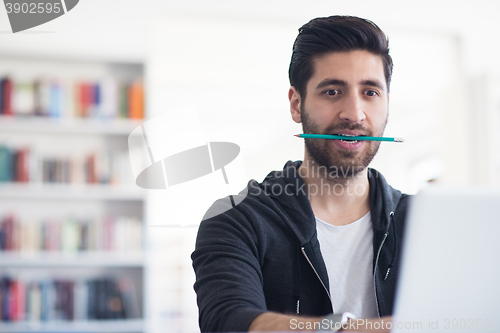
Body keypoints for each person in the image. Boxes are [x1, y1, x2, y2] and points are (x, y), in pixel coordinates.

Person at [191, 15, 409, 332]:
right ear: (296, 104)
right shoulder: (234, 218)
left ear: (386, 104)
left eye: (370, 92)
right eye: (333, 91)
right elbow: (228, 321)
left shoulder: (424, 221)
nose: (354, 114)